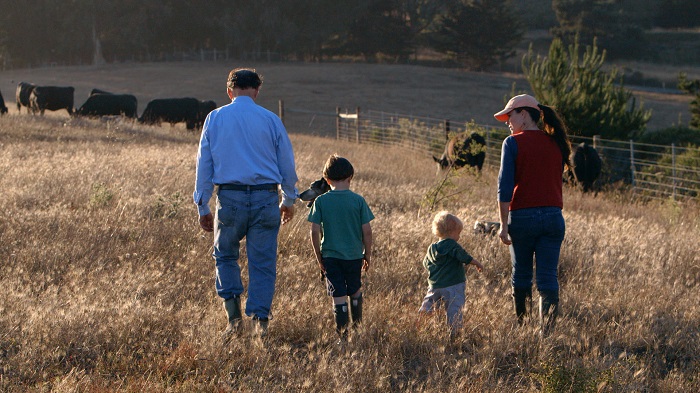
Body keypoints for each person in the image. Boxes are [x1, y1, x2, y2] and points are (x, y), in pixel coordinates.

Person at [194, 68, 298, 339]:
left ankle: (233, 319)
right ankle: (260, 323)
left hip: (230, 198)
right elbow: (286, 162)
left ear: (229, 91)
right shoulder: (271, 120)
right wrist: (288, 199)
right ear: (257, 91)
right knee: (262, 262)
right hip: (266, 198)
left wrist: (203, 205)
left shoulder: (214, 119)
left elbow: (204, 164)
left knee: (225, 255)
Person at [494, 94, 572, 336]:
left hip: (522, 218)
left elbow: (504, 188)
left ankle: (523, 329)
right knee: (548, 277)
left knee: (522, 275)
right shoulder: (556, 143)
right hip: (553, 218)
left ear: (524, 114)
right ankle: (546, 334)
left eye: (510, 115)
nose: (507, 121)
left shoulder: (512, 143)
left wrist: (503, 225)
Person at [308, 154, 374, 342]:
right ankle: (358, 329)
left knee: (338, 295)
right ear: (350, 178)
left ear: (327, 180)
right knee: (355, 289)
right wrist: (367, 254)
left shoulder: (321, 202)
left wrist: (318, 257)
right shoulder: (358, 201)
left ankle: (342, 336)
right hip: (354, 256)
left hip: (330, 257)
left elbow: (314, 231)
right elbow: (367, 231)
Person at [418, 211, 483, 337]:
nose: (459, 237)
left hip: (435, 285)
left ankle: (425, 313)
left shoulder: (432, 248)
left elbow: (425, 263)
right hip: (453, 284)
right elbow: (463, 256)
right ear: (451, 232)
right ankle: (454, 332)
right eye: (458, 233)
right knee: (454, 309)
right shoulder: (452, 245)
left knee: (431, 302)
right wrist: (476, 263)